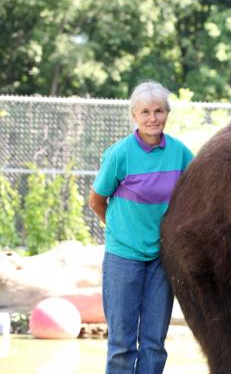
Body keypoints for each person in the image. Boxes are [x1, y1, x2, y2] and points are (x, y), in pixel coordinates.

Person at [89, 81, 194, 374]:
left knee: (153, 343)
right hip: (123, 257)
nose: (153, 118)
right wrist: (120, 232)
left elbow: (196, 193)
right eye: (145, 112)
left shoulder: (180, 153)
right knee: (122, 344)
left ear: (167, 114)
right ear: (134, 116)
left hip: (161, 259)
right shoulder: (120, 154)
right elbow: (96, 200)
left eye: (159, 110)